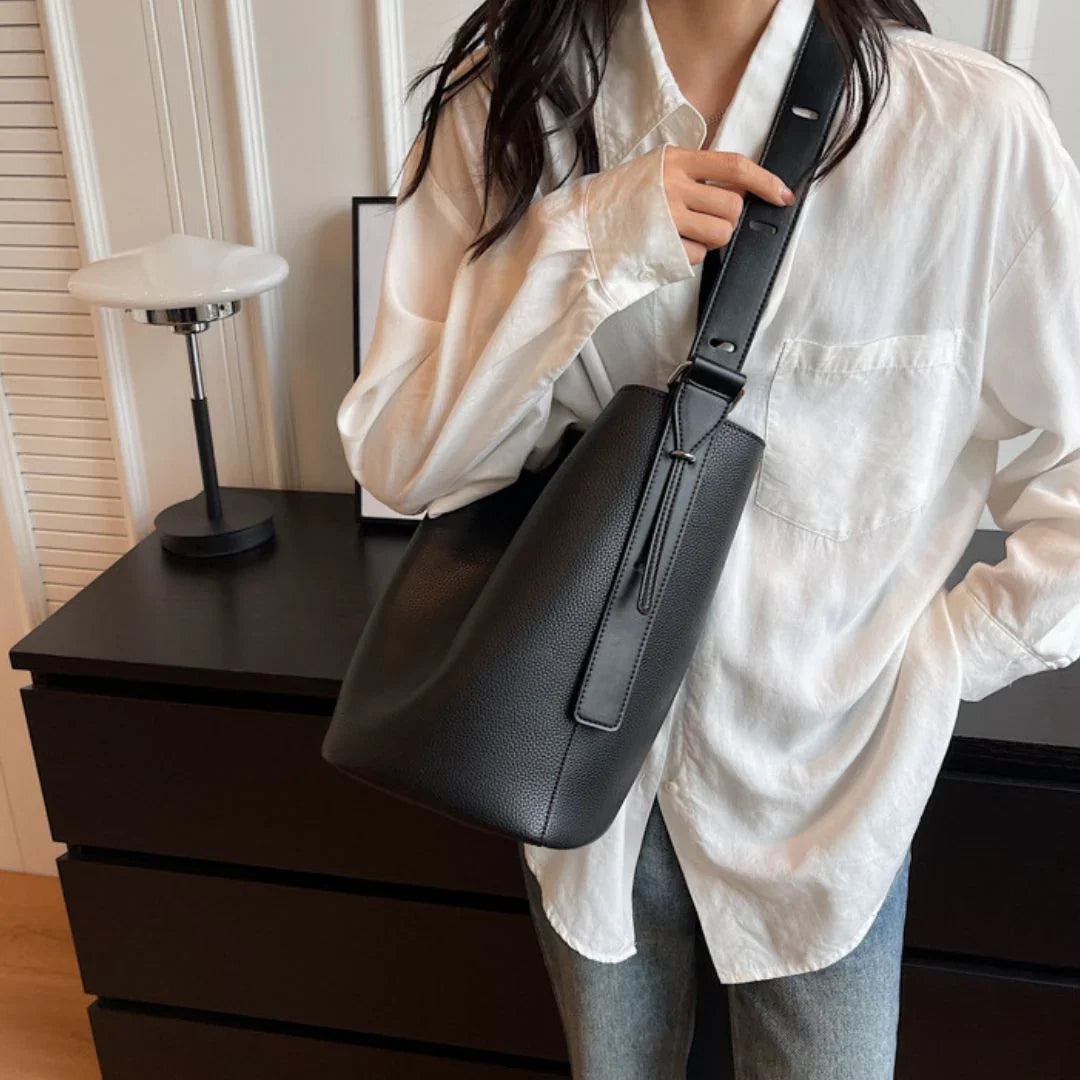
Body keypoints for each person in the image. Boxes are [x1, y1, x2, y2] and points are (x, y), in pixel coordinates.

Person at [336, 0, 1080, 1076]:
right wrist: (586, 243)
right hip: (580, 785)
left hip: (829, 801)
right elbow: (403, 462)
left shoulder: (967, 130)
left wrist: (945, 658)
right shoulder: (509, 107)